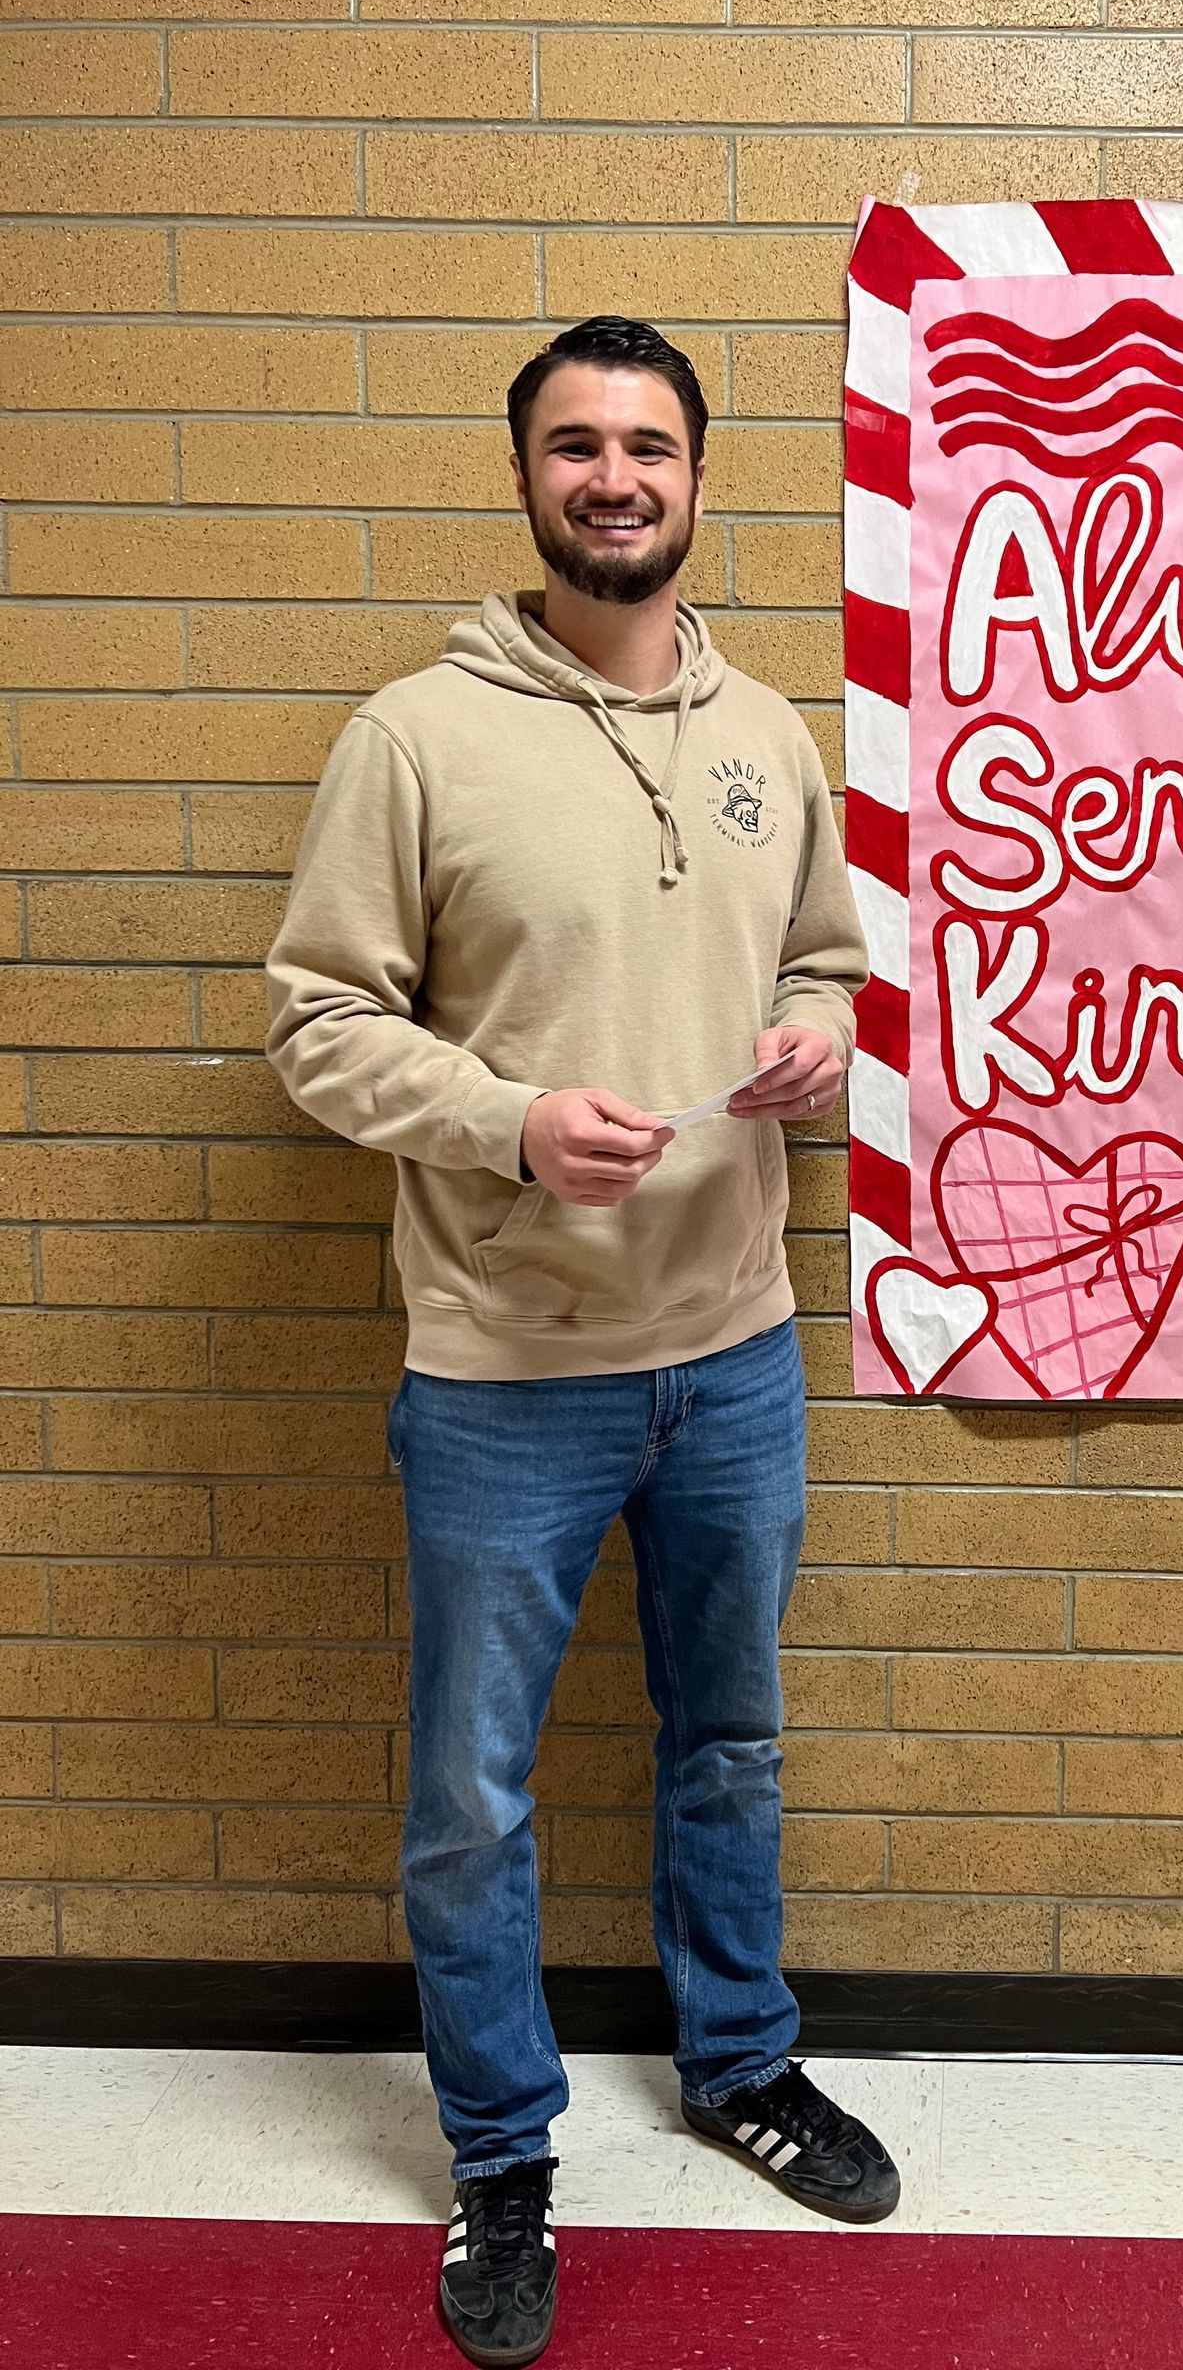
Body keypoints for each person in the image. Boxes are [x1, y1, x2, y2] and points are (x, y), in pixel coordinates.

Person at [265, 316, 893, 2369]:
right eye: (575, 445)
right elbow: (318, 1023)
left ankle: (742, 2063)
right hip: (502, 1373)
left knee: (732, 1740)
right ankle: (502, 2152)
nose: (614, 476)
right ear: (527, 475)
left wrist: (816, 1035)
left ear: (699, 477)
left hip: (736, 1354)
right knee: (474, 1791)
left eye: (648, 445)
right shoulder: (416, 738)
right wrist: (510, 1123)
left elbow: (829, 962)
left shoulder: (769, 731)